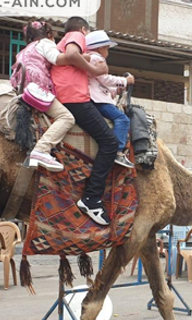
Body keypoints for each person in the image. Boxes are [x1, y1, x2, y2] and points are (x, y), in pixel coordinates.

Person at [52, 17, 118, 226]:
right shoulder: (76, 36)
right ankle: (91, 198)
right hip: (74, 98)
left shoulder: (61, 45)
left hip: (67, 96)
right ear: (83, 29)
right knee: (110, 142)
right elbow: (73, 55)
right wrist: (95, 69)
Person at [10, 20, 76, 172]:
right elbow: (57, 59)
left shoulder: (24, 50)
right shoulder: (45, 43)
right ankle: (42, 149)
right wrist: (76, 58)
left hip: (24, 89)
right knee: (66, 117)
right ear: (48, 34)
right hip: (37, 89)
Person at [85, 30, 136, 169]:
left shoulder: (89, 57)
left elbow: (99, 83)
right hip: (98, 100)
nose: (108, 51)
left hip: (94, 97)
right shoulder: (97, 59)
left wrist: (115, 90)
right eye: (107, 48)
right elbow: (105, 79)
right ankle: (118, 152)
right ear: (101, 48)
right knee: (123, 119)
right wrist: (125, 81)